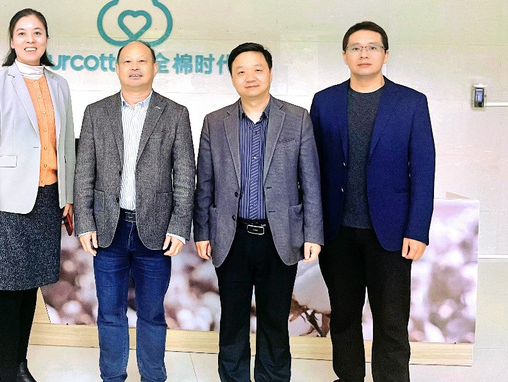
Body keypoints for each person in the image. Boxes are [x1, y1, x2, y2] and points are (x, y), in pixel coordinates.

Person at [309, 21, 436, 382]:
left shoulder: (411, 103)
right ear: (345, 55)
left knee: (391, 320)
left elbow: (423, 170)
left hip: (392, 234)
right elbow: (312, 167)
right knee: (343, 317)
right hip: (338, 231)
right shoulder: (325, 101)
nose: (363, 54)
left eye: (372, 47)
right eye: (356, 48)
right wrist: (312, 228)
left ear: (385, 54)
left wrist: (418, 230)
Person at [193, 42, 323, 381]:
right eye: (241, 71)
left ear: (270, 73)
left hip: (280, 238)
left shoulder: (297, 119)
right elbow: (204, 182)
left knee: (275, 321)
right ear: (232, 77)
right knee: (232, 320)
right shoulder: (215, 122)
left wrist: (313, 234)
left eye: (257, 69)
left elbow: (311, 181)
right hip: (231, 237)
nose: (250, 77)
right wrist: (202, 231)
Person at [74, 40, 195, 382]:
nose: (135, 67)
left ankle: (153, 377)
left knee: (152, 314)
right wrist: (85, 222)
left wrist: (179, 225)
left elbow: (185, 173)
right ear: (117, 68)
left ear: (155, 68)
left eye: (142, 61)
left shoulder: (175, 114)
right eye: (127, 61)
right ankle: (112, 376)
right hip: (108, 228)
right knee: (110, 312)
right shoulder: (96, 112)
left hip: (156, 231)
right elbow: (84, 172)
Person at [0, 8, 75, 382]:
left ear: (46, 39)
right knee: (8, 289)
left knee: (31, 285)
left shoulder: (60, 84)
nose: (30, 39)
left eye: (37, 32)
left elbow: (66, 146)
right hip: (7, 203)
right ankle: (7, 373)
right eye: (22, 33)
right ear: (12, 40)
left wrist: (67, 197)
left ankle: (20, 365)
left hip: (48, 200)